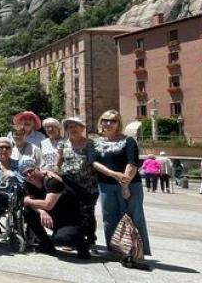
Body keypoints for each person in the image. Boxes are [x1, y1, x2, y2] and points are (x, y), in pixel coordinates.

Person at [90, 110, 151, 257]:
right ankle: (114, 251)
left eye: (113, 121)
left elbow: (132, 164)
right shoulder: (95, 142)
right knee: (109, 218)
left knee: (134, 217)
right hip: (106, 185)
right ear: (100, 122)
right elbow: (93, 162)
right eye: (105, 120)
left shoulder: (128, 141)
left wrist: (124, 185)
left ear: (119, 123)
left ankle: (136, 251)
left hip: (131, 185)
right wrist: (112, 173)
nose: (108, 123)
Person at [22, 159, 91, 259]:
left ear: (38, 169)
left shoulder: (52, 181)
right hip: (54, 218)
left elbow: (47, 205)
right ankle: (47, 245)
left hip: (72, 220)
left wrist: (27, 201)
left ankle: (82, 245)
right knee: (28, 212)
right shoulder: (29, 184)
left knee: (62, 239)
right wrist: (41, 211)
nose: (29, 175)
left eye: (30, 171)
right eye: (25, 174)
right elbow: (33, 205)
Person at [55, 116, 98, 249]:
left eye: (75, 126)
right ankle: (73, 238)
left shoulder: (90, 143)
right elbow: (58, 163)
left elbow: (93, 164)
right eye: (70, 127)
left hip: (87, 185)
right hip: (68, 185)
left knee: (88, 212)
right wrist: (56, 172)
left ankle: (90, 238)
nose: (72, 129)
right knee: (71, 212)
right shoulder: (63, 144)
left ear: (82, 128)